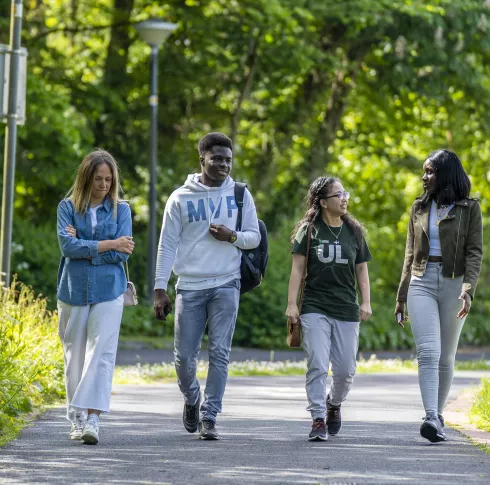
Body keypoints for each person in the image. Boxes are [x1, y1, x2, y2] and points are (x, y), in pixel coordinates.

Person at [153, 132, 261, 440]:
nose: (224, 165)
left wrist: (232, 236)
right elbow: (167, 245)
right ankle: (191, 399)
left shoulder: (240, 195)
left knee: (220, 353)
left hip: (227, 283)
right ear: (202, 159)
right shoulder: (180, 198)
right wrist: (160, 289)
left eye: (228, 160)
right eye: (217, 159)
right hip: (189, 285)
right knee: (184, 357)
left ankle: (210, 415)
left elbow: (254, 237)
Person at [394, 149, 482, 443]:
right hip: (422, 281)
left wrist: (468, 290)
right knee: (428, 352)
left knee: (446, 356)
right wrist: (401, 295)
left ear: (444, 174)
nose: (424, 177)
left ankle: (439, 415)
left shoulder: (470, 208)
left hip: (454, 284)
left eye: (430, 172)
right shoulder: (419, 207)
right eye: (424, 171)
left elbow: (474, 252)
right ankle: (430, 415)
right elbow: (409, 253)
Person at [286, 176, 372, 441]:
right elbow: (297, 270)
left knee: (346, 370)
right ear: (323, 202)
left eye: (345, 193)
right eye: (338, 195)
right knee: (318, 364)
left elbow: (362, 270)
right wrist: (291, 304)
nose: (344, 198)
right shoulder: (309, 231)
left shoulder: (354, 231)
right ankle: (317, 418)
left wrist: (366, 300)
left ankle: (333, 403)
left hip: (346, 307)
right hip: (315, 306)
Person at [57, 149, 134, 445]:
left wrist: (87, 247)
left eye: (108, 179)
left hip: (110, 290)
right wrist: (108, 244)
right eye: (98, 179)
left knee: (101, 354)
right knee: (74, 355)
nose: (103, 185)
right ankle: (75, 415)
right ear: (86, 178)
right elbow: (67, 248)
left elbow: (123, 250)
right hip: (73, 291)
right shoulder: (67, 207)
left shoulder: (121, 210)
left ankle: (93, 418)